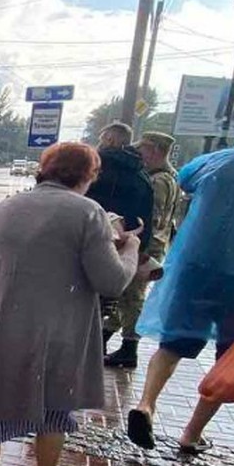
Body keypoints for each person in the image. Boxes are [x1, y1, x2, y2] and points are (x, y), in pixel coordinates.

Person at [0, 143, 139, 466]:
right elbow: (111, 281)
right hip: (62, 337)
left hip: (1, 334)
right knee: (54, 409)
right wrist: (130, 251)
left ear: (45, 170)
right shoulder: (89, 213)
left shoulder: (3, 208)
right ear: (87, 176)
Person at [127, 99, 234, 453]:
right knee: (231, 359)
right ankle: (191, 433)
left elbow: (185, 177)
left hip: (195, 271)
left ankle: (146, 404)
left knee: (172, 343)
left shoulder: (220, 163)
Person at [104, 131, 182, 369]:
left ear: (156, 151)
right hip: (152, 243)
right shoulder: (170, 177)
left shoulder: (158, 181)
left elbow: (150, 218)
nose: (140, 153)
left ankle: (129, 347)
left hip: (146, 246)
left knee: (133, 296)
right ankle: (104, 337)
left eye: (144, 149)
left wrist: (133, 241)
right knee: (123, 295)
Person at [86, 122, 154, 342]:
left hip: (87, 243)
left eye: (102, 137)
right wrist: (138, 249)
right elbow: (147, 216)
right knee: (107, 302)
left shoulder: (93, 169)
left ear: (110, 140)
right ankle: (97, 349)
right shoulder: (142, 175)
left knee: (82, 301)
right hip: (123, 248)